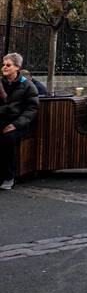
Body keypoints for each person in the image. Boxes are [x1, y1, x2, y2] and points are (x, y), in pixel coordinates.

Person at [0, 52, 39, 190]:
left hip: (18, 123)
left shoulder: (27, 85)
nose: (4, 67)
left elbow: (32, 109)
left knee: (7, 139)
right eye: (3, 65)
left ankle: (8, 176)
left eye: (8, 65)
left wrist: (15, 124)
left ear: (17, 67)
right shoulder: (1, 83)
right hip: (2, 120)